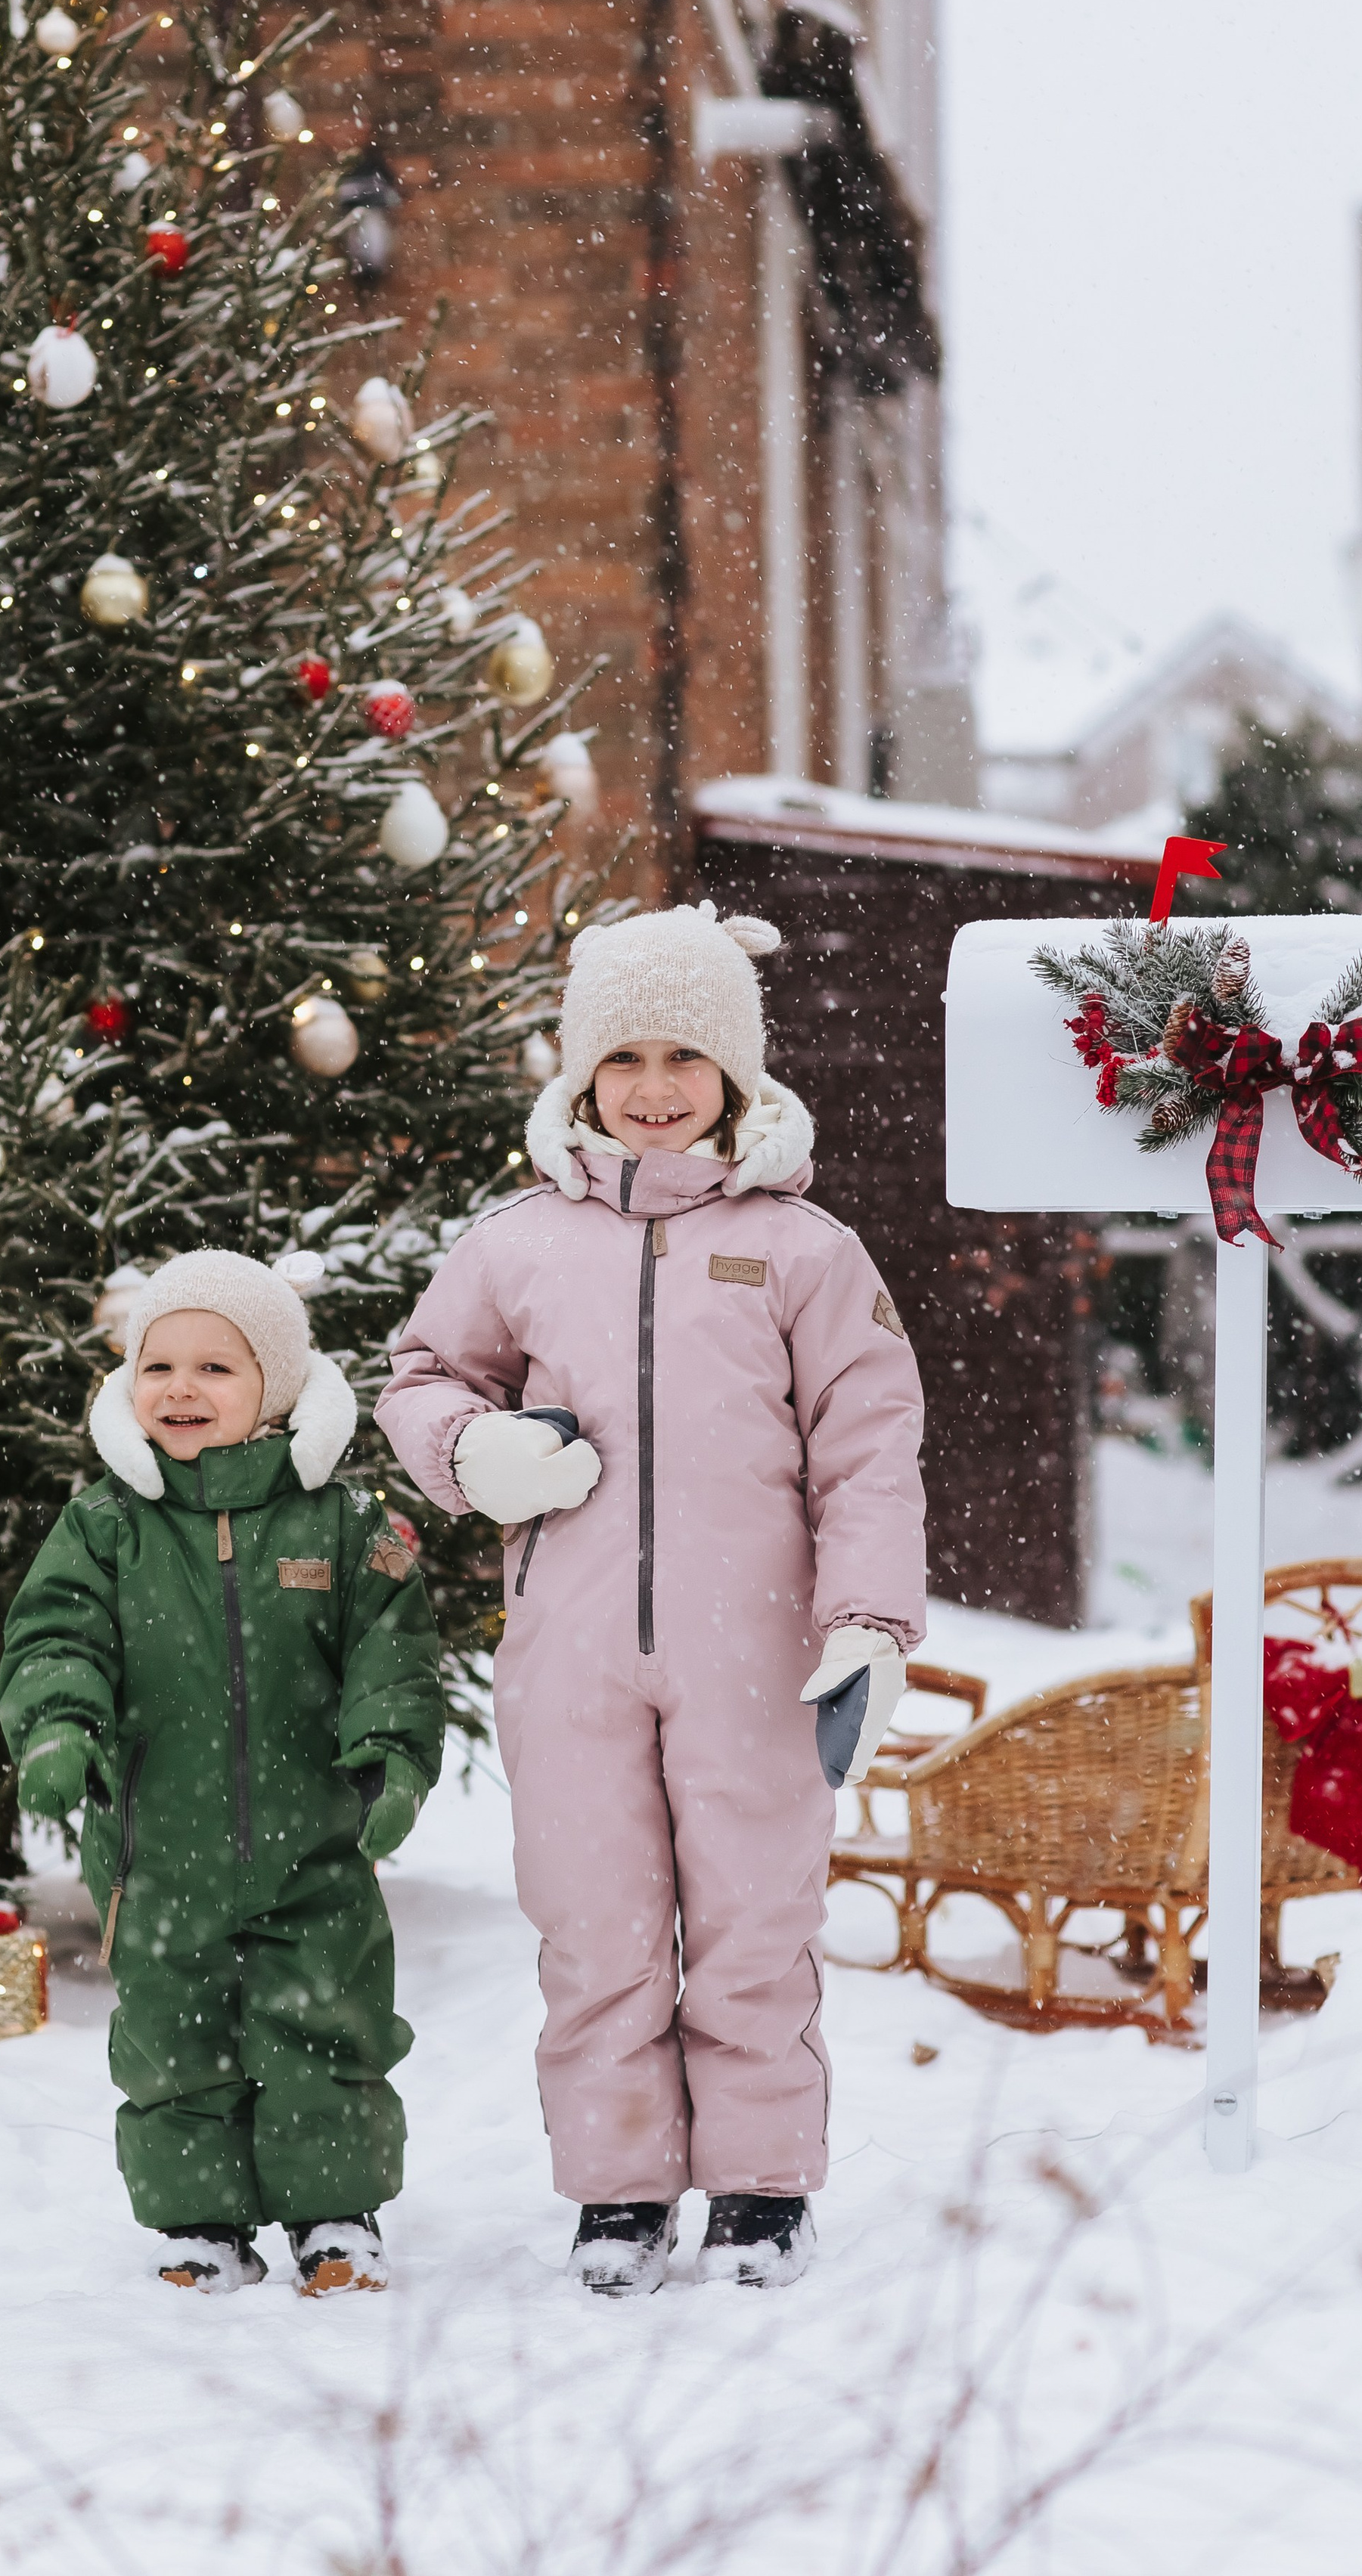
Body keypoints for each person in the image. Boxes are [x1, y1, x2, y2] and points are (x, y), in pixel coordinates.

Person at [377, 902, 926, 2295]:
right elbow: (422, 1377)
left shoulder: (806, 1250)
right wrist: (470, 1452)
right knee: (596, 1923)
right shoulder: (517, 1244)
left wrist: (866, 1620)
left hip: (760, 1650)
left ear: (738, 1077)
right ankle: (618, 2192)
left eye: (689, 1056)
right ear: (578, 1074)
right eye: (626, 1057)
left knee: (753, 1919)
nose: (657, 1087)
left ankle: (758, 2186)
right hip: (571, 1652)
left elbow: (870, 1449)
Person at [0, 1249, 444, 2296]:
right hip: (158, 1854)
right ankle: (198, 2224)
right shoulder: (105, 1527)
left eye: (216, 1368)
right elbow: (55, 1641)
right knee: (173, 2040)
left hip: (315, 1845)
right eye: (159, 1367)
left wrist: (390, 1756)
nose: (182, 1390)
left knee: (324, 2023)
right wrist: (60, 1728)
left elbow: (396, 1648)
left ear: (277, 1389)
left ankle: (335, 2212)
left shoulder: (343, 1522)